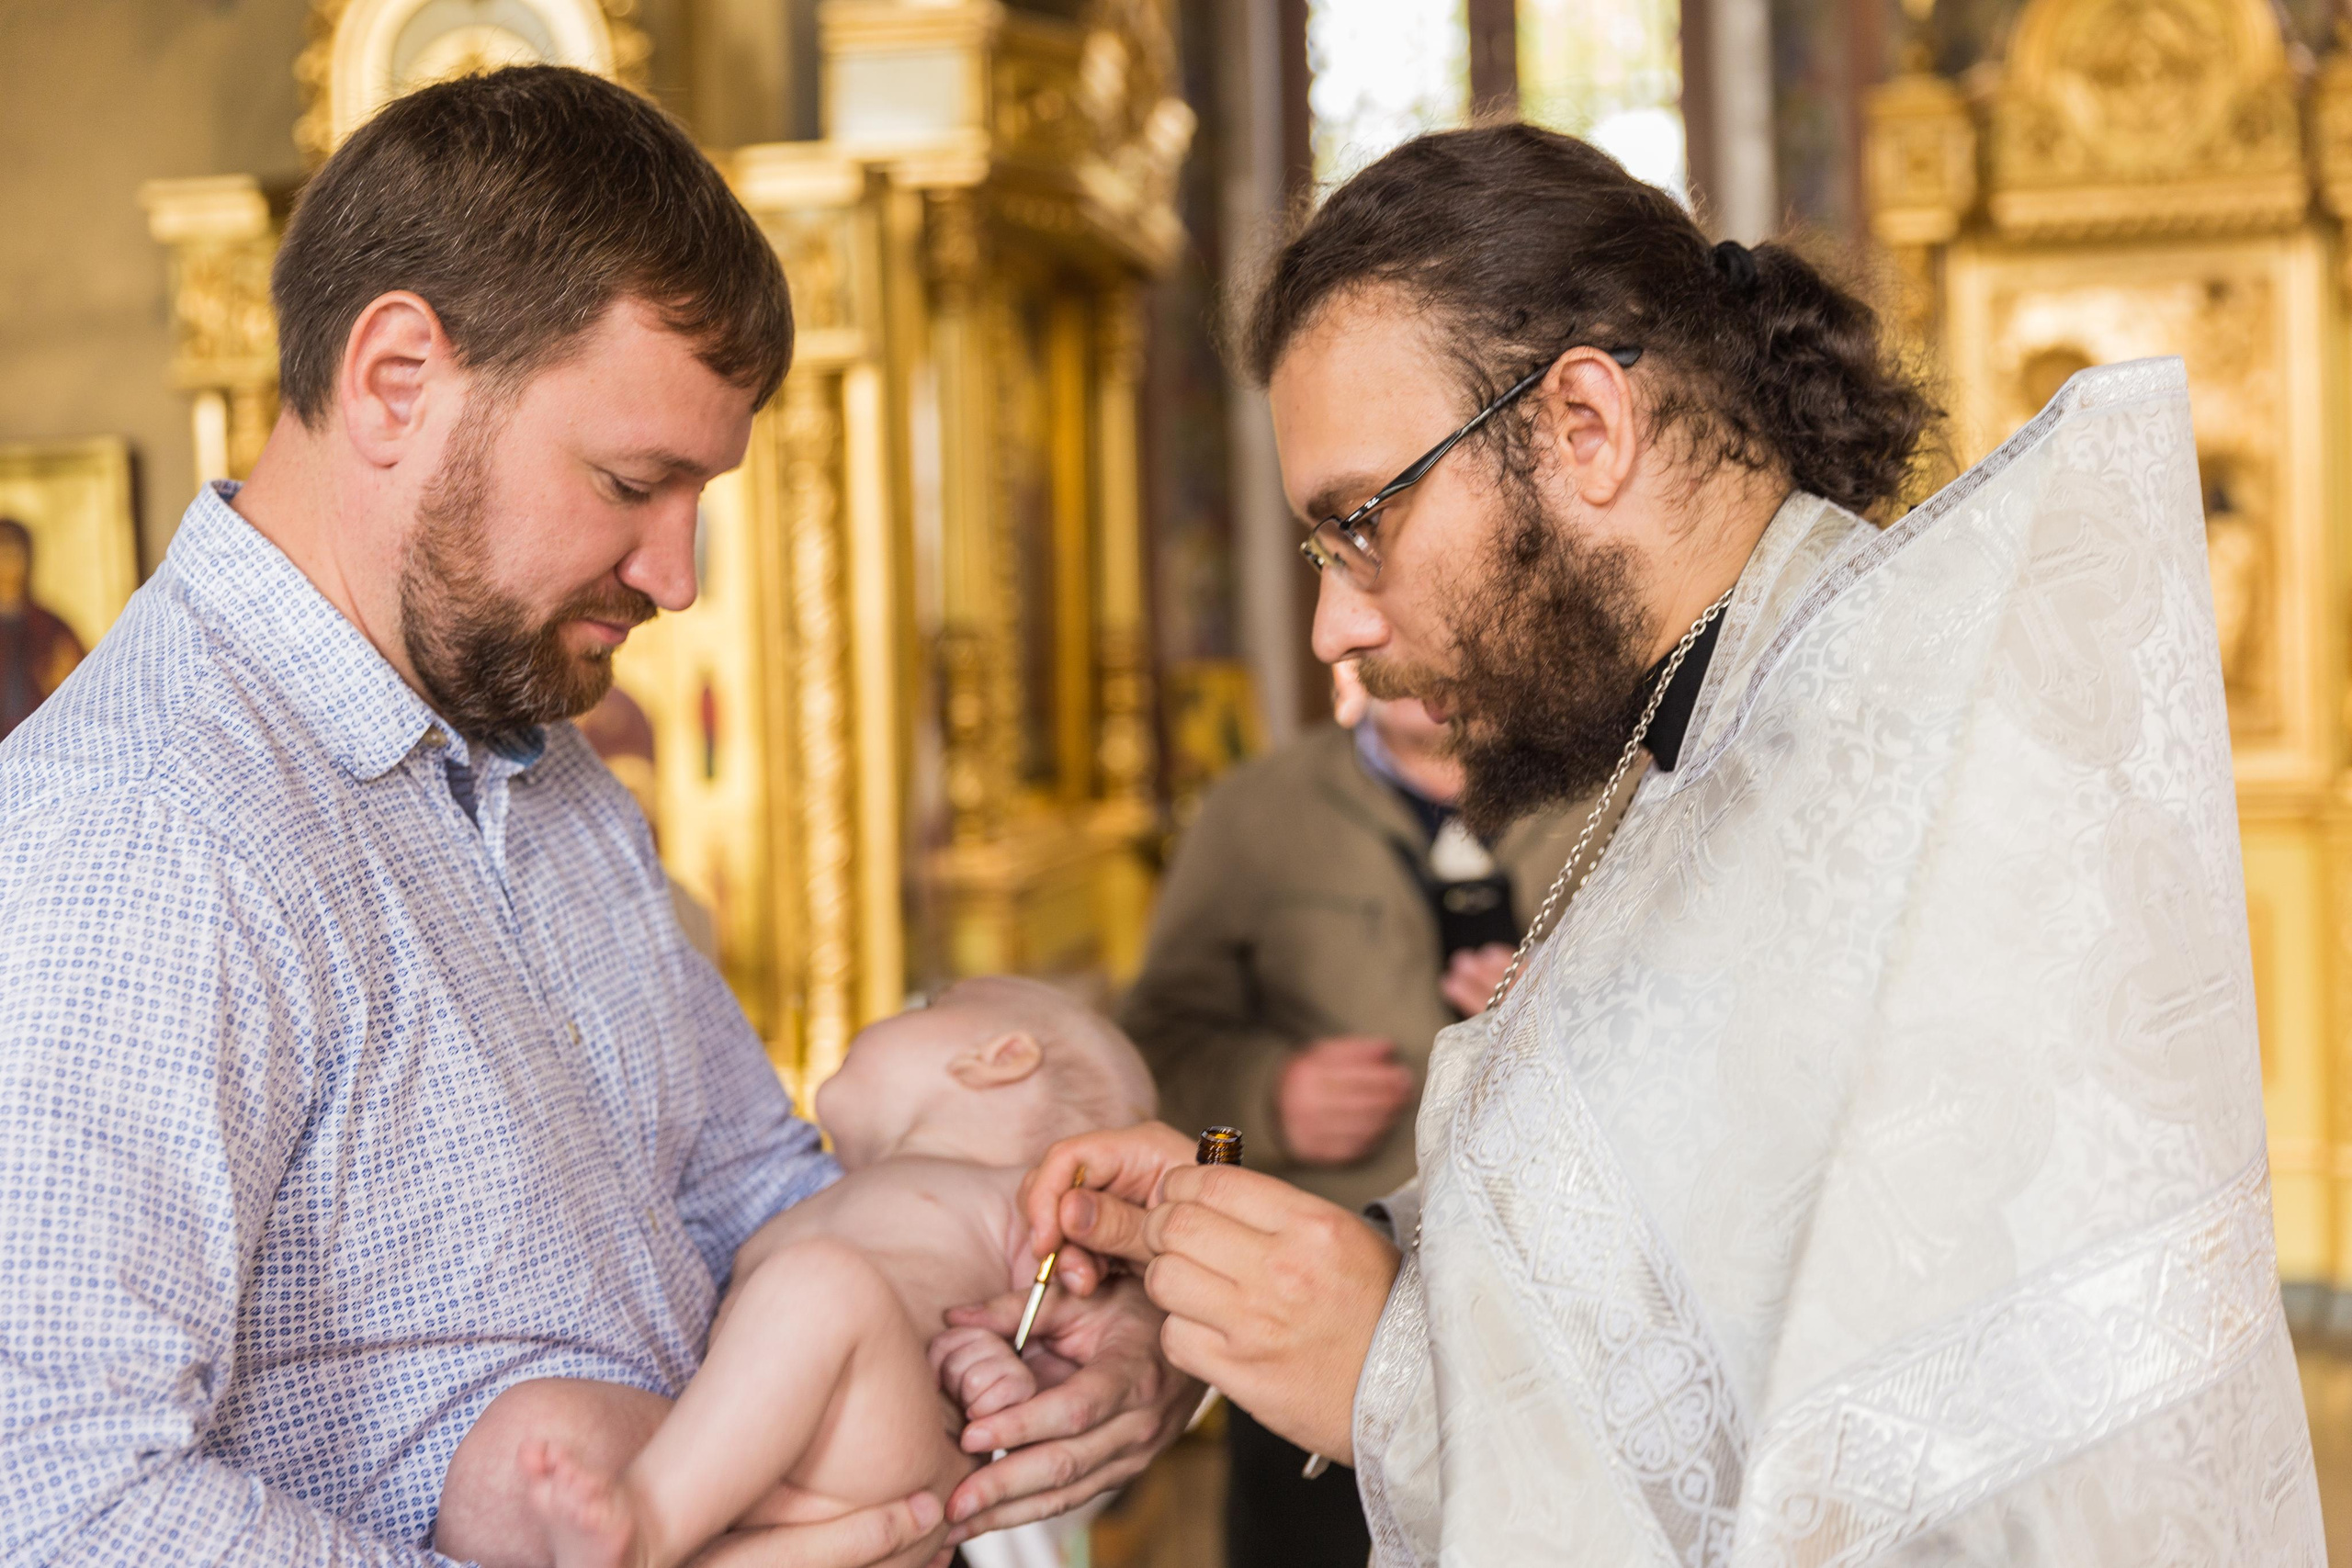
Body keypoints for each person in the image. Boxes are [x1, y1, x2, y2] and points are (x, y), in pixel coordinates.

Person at [1017, 123, 2324, 1563]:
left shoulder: (1911, 761)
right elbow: (1679, 1275)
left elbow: (1941, 1477)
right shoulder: (1710, 736)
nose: (1340, 623)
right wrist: (1289, 1263)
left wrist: (1392, 1381)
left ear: (1585, 423)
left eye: (1362, 524)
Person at [0, 67, 1191, 1568]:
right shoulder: (135, 830)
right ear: (394, 380)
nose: (678, 575)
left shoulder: (546, 774)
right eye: (635, 481)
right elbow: (53, 1504)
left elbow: (766, 1199)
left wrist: (1094, 1325)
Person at [1118, 662, 1595, 1567]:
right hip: (1307, 1308)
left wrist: (1572, 1016)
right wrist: (1273, 1096)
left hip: (1555, 1309)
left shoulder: (1617, 786)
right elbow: (1153, 1041)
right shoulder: (1252, 811)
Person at [435, 977, 1158, 1568]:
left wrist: (990, 1367)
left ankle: (646, 1532)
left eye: (932, 1004)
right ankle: (631, 1529)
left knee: (820, 1284)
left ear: (996, 1057)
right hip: (733, 1454)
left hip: (879, 1450)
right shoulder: (835, 1191)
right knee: (521, 1448)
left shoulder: (1027, 1198)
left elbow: (1055, 1336)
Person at [0, 514, 85, 740]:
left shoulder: (51, 628)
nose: (9, 560)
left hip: (41, 743)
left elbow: (80, 686)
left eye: (14, 551)